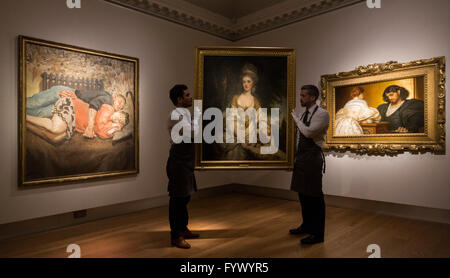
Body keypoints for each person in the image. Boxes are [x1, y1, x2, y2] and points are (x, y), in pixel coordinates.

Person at [289, 85, 330, 245]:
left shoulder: (322, 114)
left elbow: (309, 132)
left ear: (313, 97)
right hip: (301, 158)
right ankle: (306, 226)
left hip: (313, 158)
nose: (301, 98)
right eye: (301, 95)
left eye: (304, 96)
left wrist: (296, 119)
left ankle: (318, 234)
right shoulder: (303, 113)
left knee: (314, 197)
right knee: (303, 195)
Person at [166, 84, 201, 249]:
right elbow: (193, 133)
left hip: (185, 161)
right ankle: (176, 235)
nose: (190, 97)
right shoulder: (176, 116)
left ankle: (183, 228)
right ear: (179, 99)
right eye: (187, 95)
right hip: (178, 162)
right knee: (177, 199)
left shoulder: (184, 114)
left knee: (185, 197)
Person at [26, 85, 127, 138]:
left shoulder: (109, 113)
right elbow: (94, 104)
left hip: (72, 103)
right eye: (120, 101)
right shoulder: (108, 98)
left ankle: (20, 115)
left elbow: (104, 130)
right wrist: (90, 125)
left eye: (121, 106)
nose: (119, 105)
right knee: (33, 103)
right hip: (69, 93)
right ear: (115, 97)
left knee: (40, 113)